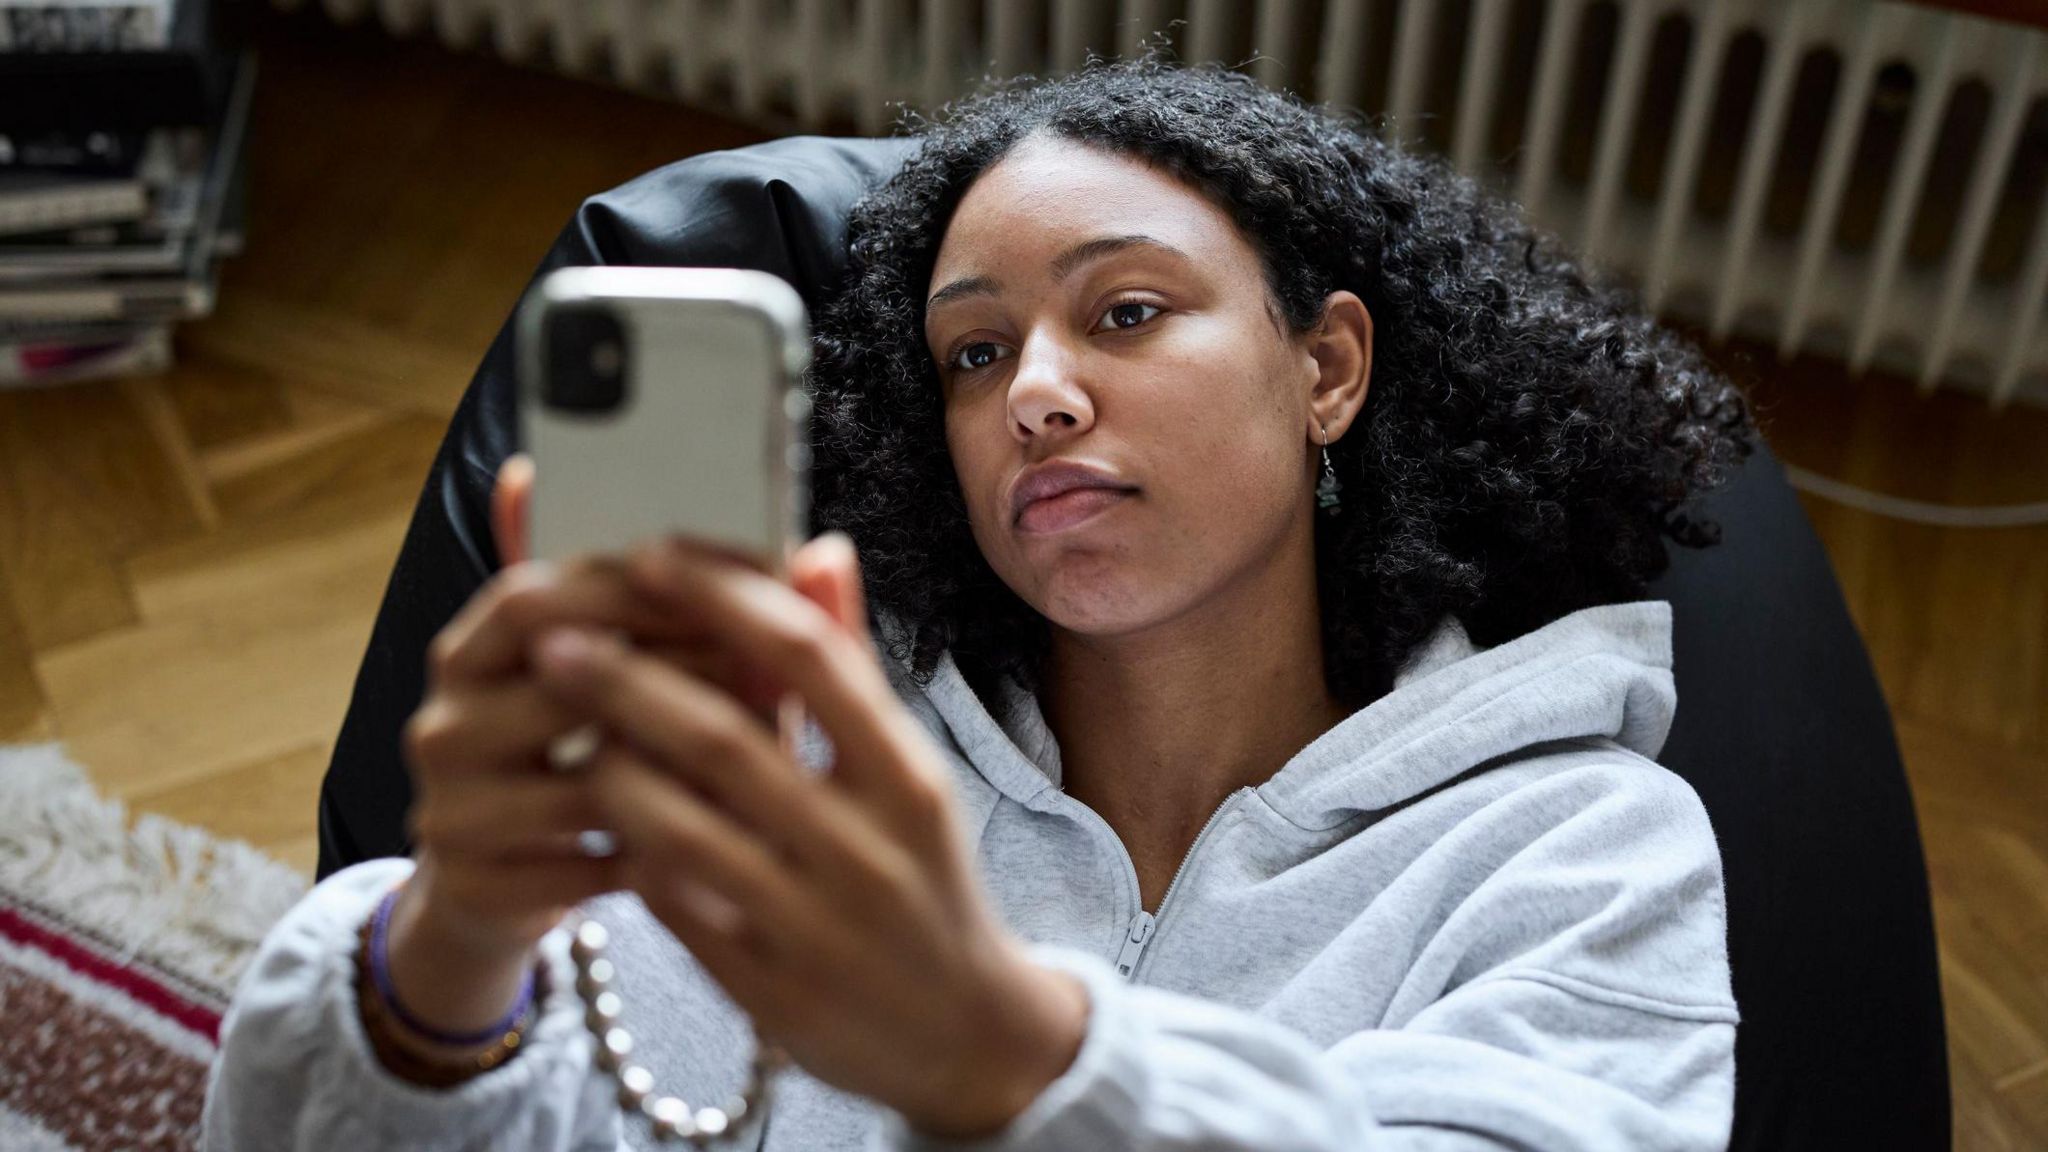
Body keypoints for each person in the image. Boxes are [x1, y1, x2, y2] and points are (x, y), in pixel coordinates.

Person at [202, 56, 1753, 1152]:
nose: (1039, 395)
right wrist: (447, 952)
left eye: (1126, 312)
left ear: (1325, 368)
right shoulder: (801, 739)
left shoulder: (1579, 852)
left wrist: (1004, 1055)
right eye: (974, 353)